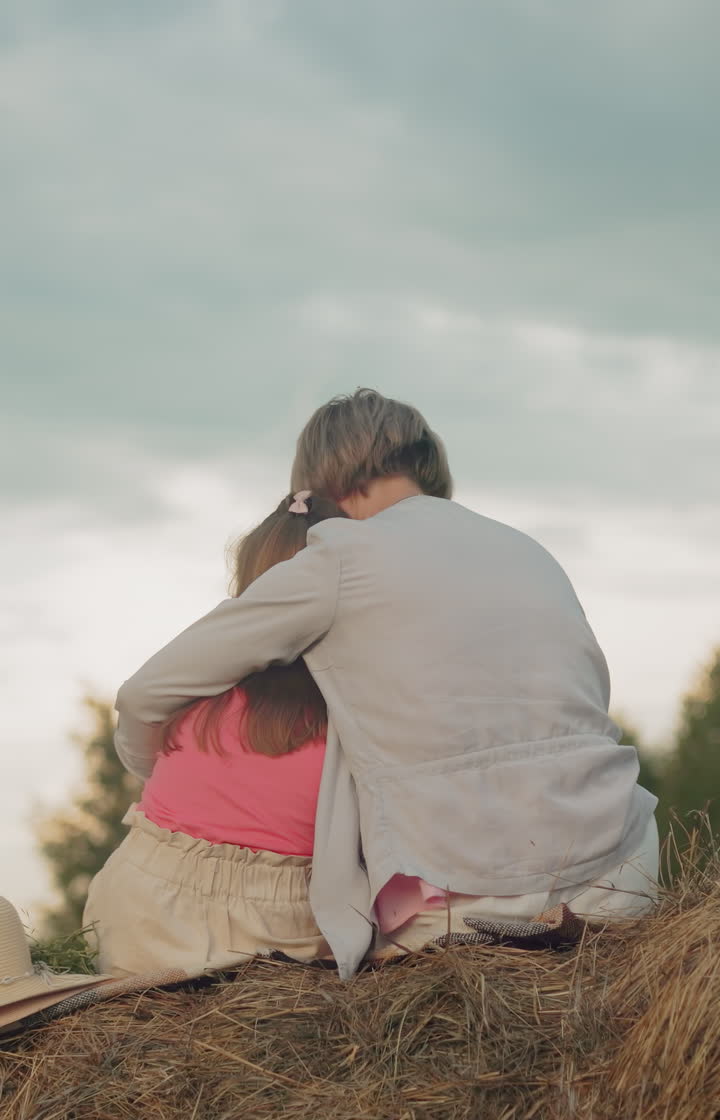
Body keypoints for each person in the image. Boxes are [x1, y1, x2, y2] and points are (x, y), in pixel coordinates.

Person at [115, 389, 659, 979]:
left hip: (472, 896)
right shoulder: (531, 552)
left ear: (322, 480)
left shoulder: (342, 554)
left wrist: (161, 780)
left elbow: (148, 693)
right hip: (623, 873)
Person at [83, 495, 346, 977]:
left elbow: (140, 715)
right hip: (278, 923)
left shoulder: (193, 687)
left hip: (141, 899)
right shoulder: (354, 711)